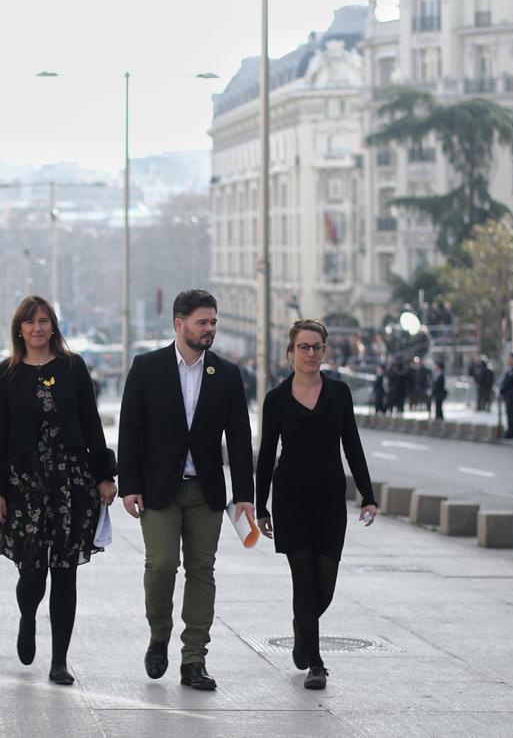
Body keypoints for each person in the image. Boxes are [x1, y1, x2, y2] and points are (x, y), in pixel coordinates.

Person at [118, 289, 255, 692]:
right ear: (179, 324)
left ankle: (194, 658)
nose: (210, 329)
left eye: (214, 322)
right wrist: (130, 486)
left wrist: (244, 493)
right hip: (160, 489)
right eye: (202, 322)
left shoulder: (227, 374)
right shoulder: (147, 367)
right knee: (160, 565)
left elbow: (241, 437)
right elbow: (130, 430)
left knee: (202, 572)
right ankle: (159, 633)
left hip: (207, 492)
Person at [0, 295, 117, 686]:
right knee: (33, 572)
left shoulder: (73, 368)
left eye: (44, 321)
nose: (38, 328)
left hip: (70, 480)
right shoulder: (6, 374)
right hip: (23, 483)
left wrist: (103, 475)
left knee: (65, 571)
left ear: (53, 326)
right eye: (30, 322)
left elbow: (91, 423)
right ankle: (27, 617)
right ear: (19, 329)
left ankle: (59, 660)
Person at [256, 319, 377, 691]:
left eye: (316, 347)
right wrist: (261, 506)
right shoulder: (276, 399)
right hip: (291, 498)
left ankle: (301, 627)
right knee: (303, 580)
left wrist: (368, 495)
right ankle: (316, 664)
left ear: (324, 352)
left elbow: (352, 445)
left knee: (324, 586)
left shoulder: (339, 393)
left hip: (329, 498)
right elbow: (265, 456)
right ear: (290, 352)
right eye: (303, 347)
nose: (310, 354)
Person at [499, 353, 513, 440]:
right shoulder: (511, 370)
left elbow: (509, 383)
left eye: (509, 358)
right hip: (509, 396)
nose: (508, 360)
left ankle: (512, 433)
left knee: (512, 415)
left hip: (512, 396)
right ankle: (512, 432)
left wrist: (501, 390)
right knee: (511, 414)